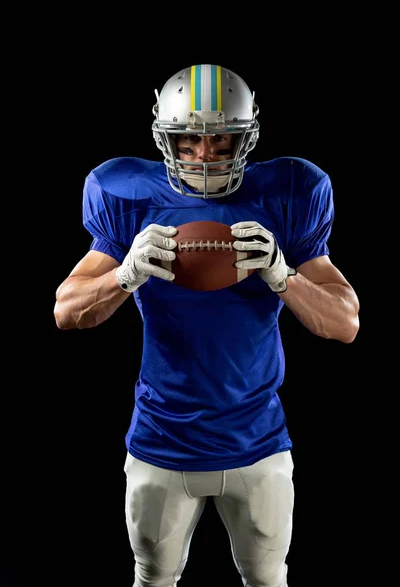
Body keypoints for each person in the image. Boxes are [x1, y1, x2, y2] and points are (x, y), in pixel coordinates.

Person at [53, 64, 360, 587]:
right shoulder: (125, 192)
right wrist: (125, 274)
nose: (203, 157)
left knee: (268, 579)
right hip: (160, 436)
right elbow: (66, 309)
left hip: (257, 439)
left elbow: (345, 322)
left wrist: (283, 275)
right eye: (188, 142)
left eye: (221, 142)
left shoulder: (290, 190)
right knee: (153, 578)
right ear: (163, 139)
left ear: (247, 137)